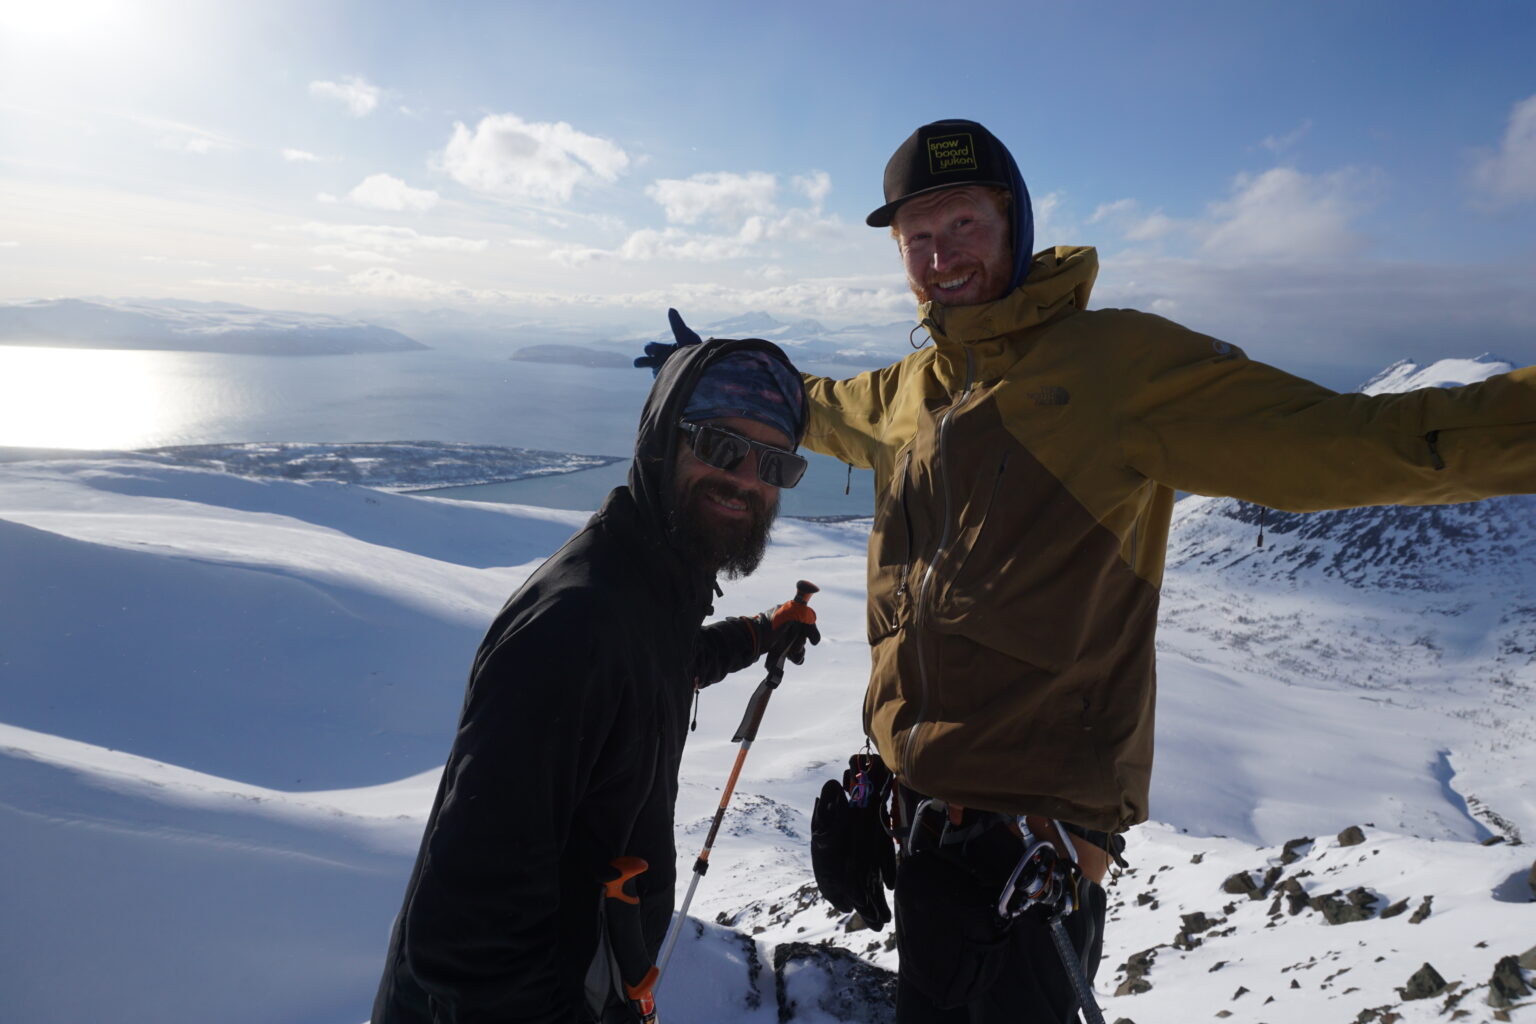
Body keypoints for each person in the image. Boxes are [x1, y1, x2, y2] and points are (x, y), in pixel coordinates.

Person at [657, 119, 1535, 1023]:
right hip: (923, 817)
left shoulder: (1117, 369)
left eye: (963, 225)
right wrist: (712, 372)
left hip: (1028, 855)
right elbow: (818, 408)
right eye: (917, 238)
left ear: (1016, 224)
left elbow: (1357, 441)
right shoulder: (917, 385)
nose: (940, 256)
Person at [372, 336, 822, 1024]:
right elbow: (465, 938)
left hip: (591, 978)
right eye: (721, 445)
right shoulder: (577, 625)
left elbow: (670, 665)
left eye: (774, 462)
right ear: (662, 440)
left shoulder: (651, 583)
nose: (746, 478)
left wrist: (764, 629)